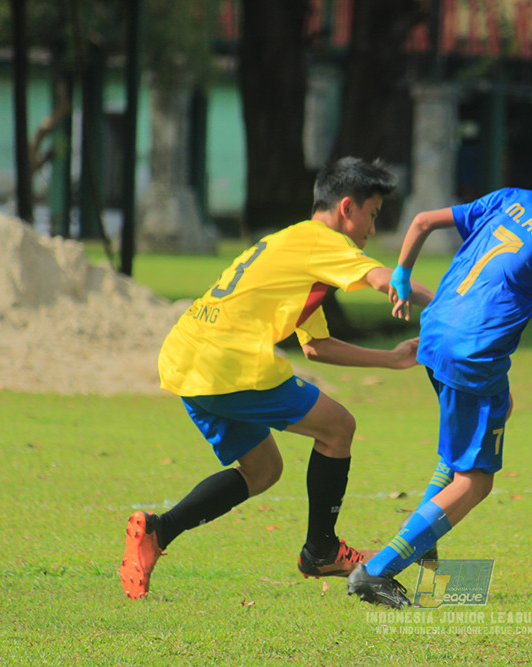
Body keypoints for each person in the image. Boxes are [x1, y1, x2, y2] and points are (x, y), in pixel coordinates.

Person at [120, 157, 433, 600]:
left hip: (186, 356)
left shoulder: (294, 246)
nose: (371, 230)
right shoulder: (321, 241)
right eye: (373, 215)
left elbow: (316, 347)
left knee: (263, 470)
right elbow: (384, 278)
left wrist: (390, 359)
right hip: (228, 362)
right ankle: (322, 551)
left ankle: (158, 531)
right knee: (338, 427)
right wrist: (448, 306)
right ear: (347, 207)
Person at [345, 133, 532, 608]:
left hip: (436, 330)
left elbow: (420, 222)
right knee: (476, 479)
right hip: (473, 353)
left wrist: (400, 272)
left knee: (487, 423)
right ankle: (376, 572)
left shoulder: (512, 199)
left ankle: (423, 544)